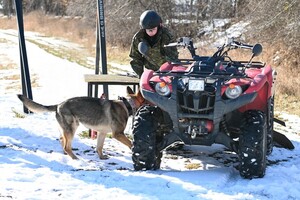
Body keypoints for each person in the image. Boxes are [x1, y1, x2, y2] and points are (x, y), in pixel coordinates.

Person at [129, 10, 179, 77]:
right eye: (148, 30)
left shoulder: (167, 36)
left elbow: (172, 58)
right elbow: (135, 59)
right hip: (148, 72)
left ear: (159, 26)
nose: (151, 32)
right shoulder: (138, 38)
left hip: (166, 72)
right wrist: (141, 76)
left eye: (153, 29)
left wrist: (167, 75)